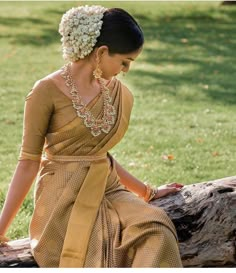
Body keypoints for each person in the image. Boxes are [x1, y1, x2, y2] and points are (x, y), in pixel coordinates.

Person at [0, 5, 183, 268]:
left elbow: (100, 155)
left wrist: (147, 192)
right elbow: (28, 162)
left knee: (156, 229)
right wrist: (0, 228)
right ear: (101, 52)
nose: (125, 70)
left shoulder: (116, 92)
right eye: (124, 62)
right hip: (64, 197)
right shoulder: (45, 91)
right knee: (98, 248)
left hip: (108, 189)